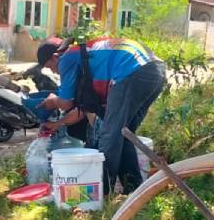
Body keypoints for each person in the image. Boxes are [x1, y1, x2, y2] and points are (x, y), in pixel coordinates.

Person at [38, 36, 166, 194]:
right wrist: (58, 123)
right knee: (123, 133)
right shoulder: (85, 55)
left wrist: (53, 101)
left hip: (132, 71)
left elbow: (65, 103)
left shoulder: (66, 59)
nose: (54, 71)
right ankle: (133, 189)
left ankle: (100, 193)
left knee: (110, 134)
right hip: (154, 69)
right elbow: (81, 110)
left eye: (50, 67)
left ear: (55, 56)